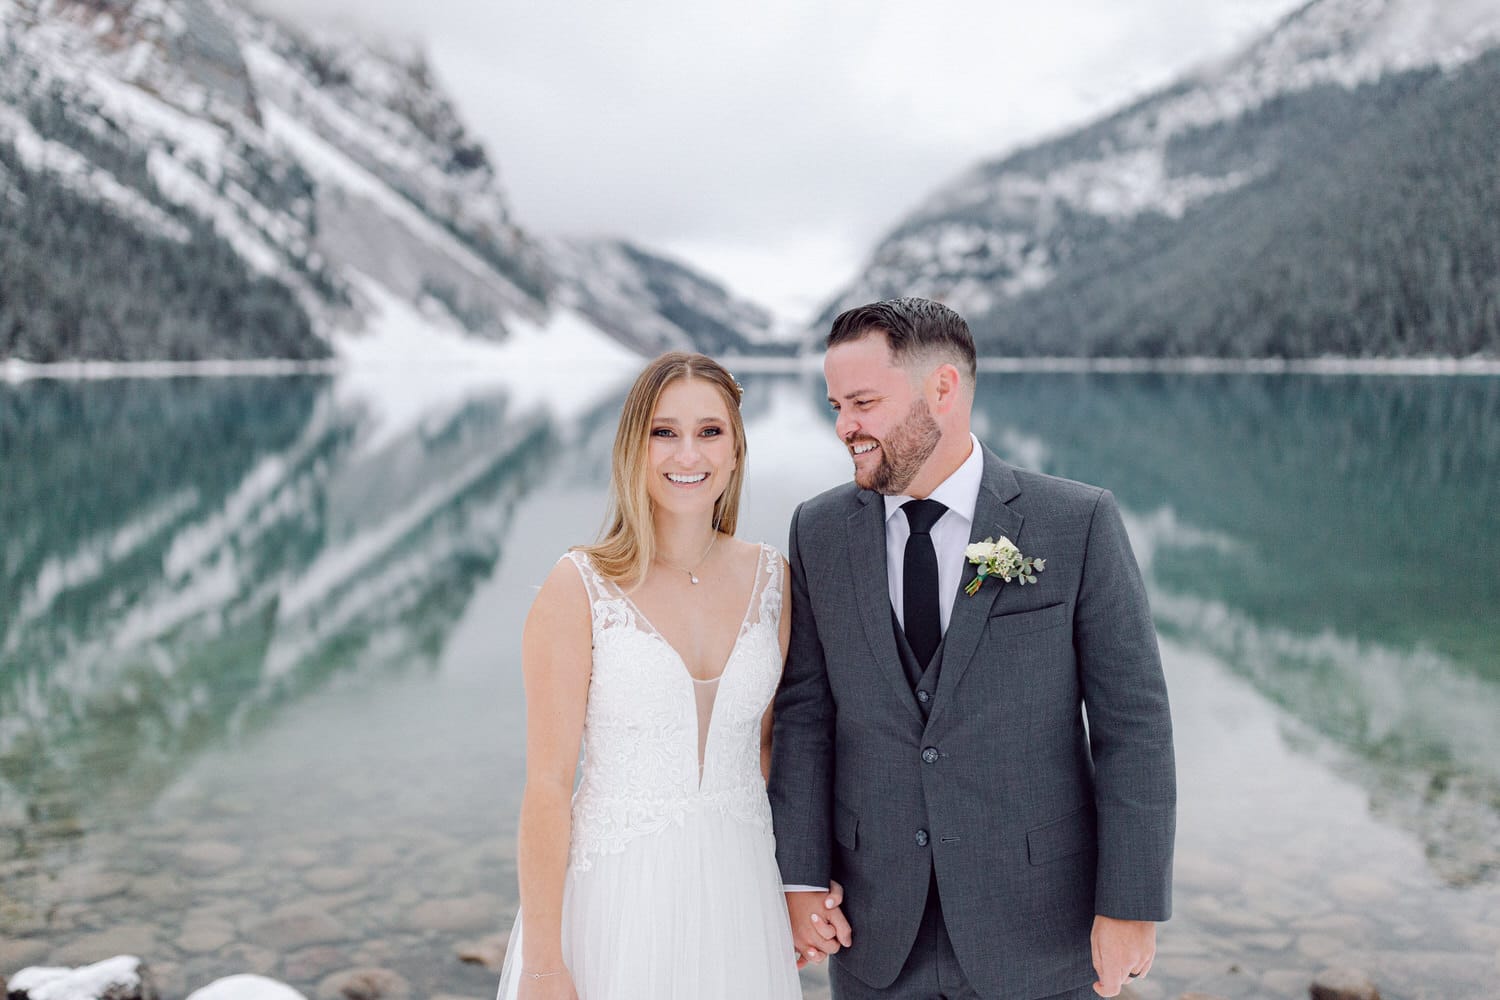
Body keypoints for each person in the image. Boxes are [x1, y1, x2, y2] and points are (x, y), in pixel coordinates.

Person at [769, 298, 1176, 1000]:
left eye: (863, 402)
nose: (845, 428)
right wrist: (801, 879)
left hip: (1040, 931)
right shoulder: (819, 531)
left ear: (944, 389)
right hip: (873, 933)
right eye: (836, 405)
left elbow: (1132, 726)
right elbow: (806, 716)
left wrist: (1131, 903)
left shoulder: (1075, 523)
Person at [496, 352, 822, 1000]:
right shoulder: (579, 587)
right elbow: (548, 789)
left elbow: (771, 752)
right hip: (619, 898)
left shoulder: (774, 580)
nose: (688, 454)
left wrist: (801, 883)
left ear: (735, 452)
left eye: (709, 432)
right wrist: (541, 962)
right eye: (664, 432)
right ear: (632, 448)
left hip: (739, 892)